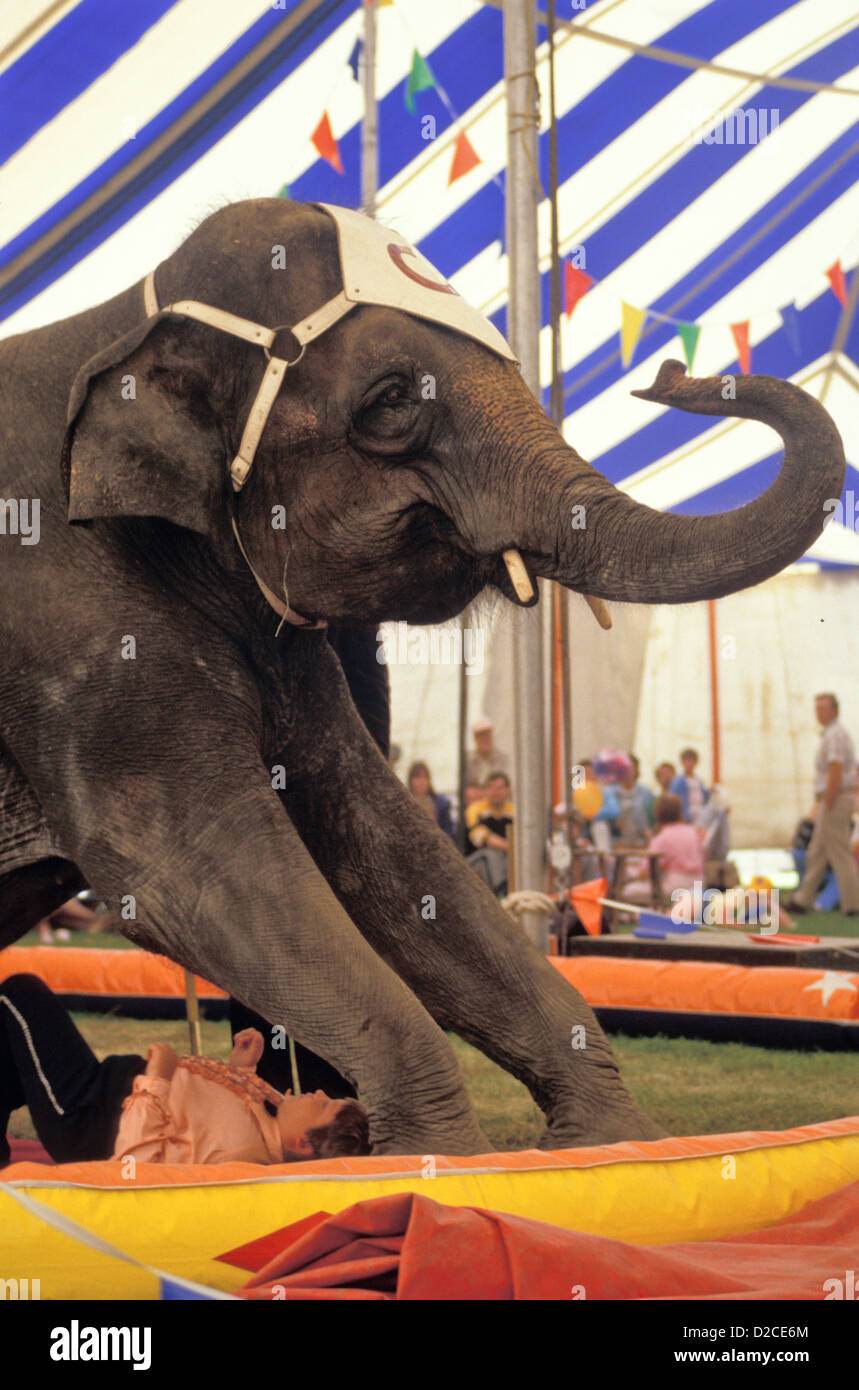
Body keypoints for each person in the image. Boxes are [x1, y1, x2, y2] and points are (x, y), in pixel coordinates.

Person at [0, 973, 370, 1168]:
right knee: (11, 1051)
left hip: (83, 1116)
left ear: (302, 1143)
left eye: (324, 1105)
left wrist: (157, 1081)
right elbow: (199, 1118)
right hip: (99, 1094)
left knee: (20, 993)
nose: (319, 1092)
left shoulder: (235, 1155)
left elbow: (136, 1167)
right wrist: (240, 1069)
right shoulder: (266, 1116)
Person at [788, 693, 859, 916]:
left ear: (834, 710)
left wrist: (827, 801)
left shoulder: (834, 734)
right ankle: (803, 899)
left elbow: (835, 768)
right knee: (816, 852)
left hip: (835, 799)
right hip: (833, 798)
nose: (819, 713)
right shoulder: (832, 733)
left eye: (823, 709)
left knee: (838, 851)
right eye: (817, 708)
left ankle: (853, 904)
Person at [625, 794, 704, 904]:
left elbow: (645, 872)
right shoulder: (692, 832)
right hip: (698, 884)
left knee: (627, 891)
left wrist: (631, 872)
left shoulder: (662, 837)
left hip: (674, 887)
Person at [466, 771, 514, 896]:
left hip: (506, 858)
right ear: (485, 791)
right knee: (492, 854)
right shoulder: (476, 809)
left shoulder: (514, 811)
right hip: (476, 860)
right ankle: (500, 896)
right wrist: (511, 847)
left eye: (499, 788)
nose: (495, 792)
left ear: (508, 790)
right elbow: (483, 839)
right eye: (490, 787)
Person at [407, 761, 454, 838]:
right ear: (410, 780)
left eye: (425, 777)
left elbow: (448, 831)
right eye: (417, 777)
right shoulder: (404, 804)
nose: (421, 782)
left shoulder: (442, 803)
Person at [615, 755, 654, 846]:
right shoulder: (611, 793)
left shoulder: (647, 793)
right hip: (619, 840)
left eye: (631, 767)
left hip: (643, 840)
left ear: (636, 770)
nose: (627, 771)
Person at [465, 717, 511, 790]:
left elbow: (506, 785)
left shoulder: (503, 759)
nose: (484, 739)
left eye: (487, 735)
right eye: (481, 736)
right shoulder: (467, 759)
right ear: (475, 739)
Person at [670, 749, 709, 825]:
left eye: (692, 761)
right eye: (687, 761)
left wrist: (709, 792)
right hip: (686, 817)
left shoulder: (699, 781)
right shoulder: (678, 781)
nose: (689, 764)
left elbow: (704, 798)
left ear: (696, 763)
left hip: (700, 815)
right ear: (682, 763)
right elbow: (673, 801)